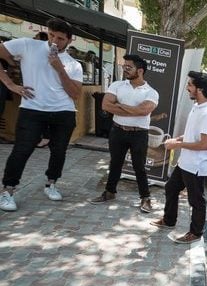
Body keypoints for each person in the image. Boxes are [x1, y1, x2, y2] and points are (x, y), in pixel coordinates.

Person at [0, 18, 83, 212]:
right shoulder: (28, 45)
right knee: (22, 150)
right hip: (32, 109)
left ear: (69, 40)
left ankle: (51, 183)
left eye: (61, 38)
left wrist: (59, 68)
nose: (54, 41)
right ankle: (8, 191)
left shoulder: (74, 65)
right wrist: (10, 85)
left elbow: (76, 94)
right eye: (52, 35)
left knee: (59, 151)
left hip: (63, 111)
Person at [150, 71, 207, 244]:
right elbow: (191, 135)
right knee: (171, 188)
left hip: (196, 165)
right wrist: (177, 139)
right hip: (185, 163)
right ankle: (169, 220)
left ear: (200, 89)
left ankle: (195, 232)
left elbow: (203, 144)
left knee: (196, 201)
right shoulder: (197, 107)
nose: (187, 88)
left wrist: (177, 145)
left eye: (190, 85)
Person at [88, 55, 159, 212]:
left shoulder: (151, 92)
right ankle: (109, 192)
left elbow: (143, 111)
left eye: (129, 67)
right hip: (118, 130)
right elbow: (106, 105)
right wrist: (133, 110)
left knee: (139, 166)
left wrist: (119, 106)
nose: (125, 69)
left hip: (139, 134)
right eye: (124, 66)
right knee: (115, 163)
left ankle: (145, 198)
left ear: (140, 71)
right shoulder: (117, 85)